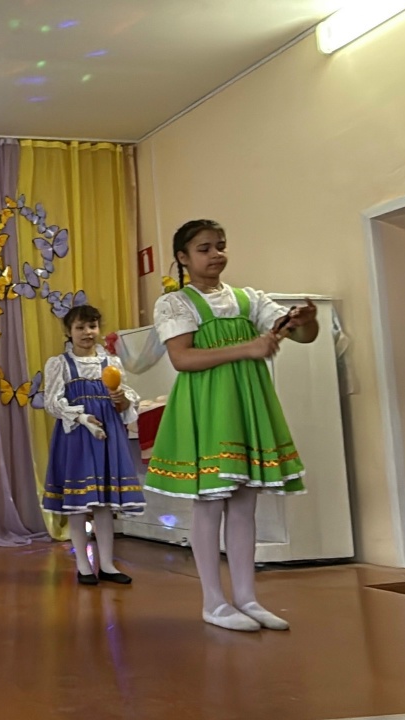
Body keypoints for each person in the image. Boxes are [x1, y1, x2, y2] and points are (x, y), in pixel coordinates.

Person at [148, 219, 318, 632]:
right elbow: (182, 358)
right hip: (208, 405)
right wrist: (248, 348)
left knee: (244, 503)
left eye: (220, 246)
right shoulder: (175, 303)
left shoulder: (249, 298)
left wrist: (307, 319)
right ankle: (214, 602)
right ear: (183, 258)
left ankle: (246, 597)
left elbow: (303, 336)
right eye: (204, 248)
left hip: (246, 402)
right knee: (210, 502)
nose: (216, 254)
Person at [42, 304, 144, 585]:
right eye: (80, 327)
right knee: (79, 503)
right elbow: (52, 402)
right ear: (69, 331)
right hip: (76, 436)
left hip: (108, 434)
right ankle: (83, 566)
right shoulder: (60, 364)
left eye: (92, 326)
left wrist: (122, 400)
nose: (88, 332)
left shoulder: (110, 362)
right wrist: (82, 417)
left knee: (105, 504)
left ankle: (108, 565)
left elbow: (126, 401)